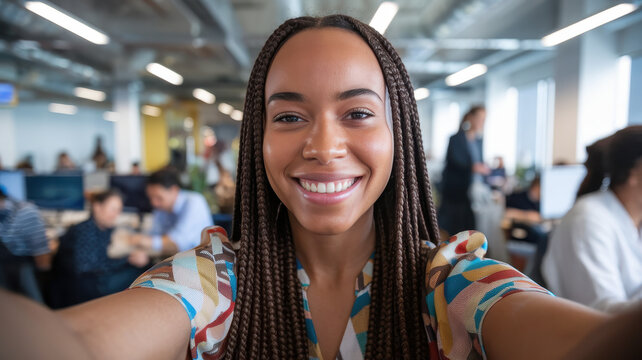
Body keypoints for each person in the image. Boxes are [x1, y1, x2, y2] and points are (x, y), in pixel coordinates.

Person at [1, 14, 641, 360]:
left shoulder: (451, 284)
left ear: (400, 138)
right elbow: (81, 344)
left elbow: (583, 345)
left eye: (358, 113)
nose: (323, 146)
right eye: (288, 116)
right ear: (259, 139)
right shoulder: (215, 282)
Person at [542, 126, 642, 313]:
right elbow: (603, 313)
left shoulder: (634, 221)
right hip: (588, 338)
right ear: (634, 173)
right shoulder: (587, 219)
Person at [49, 189, 148, 308]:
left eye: (119, 210)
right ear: (97, 207)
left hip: (88, 281)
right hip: (84, 289)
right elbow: (92, 266)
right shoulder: (86, 231)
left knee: (139, 266)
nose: (116, 215)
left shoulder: (100, 227)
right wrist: (127, 260)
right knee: (142, 271)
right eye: (113, 209)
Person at [129, 169, 212, 255]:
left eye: (159, 197)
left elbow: (177, 243)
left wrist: (142, 241)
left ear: (174, 190)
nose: (154, 203)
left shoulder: (195, 202)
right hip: (177, 260)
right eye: (151, 198)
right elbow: (155, 234)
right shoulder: (161, 208)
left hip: (202, 261)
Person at [438, 105, 490, 236]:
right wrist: (473, 167)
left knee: (469, 228)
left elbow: (479, 162)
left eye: (484, 119)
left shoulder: (479, 140)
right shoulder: (456, 138)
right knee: (453, 228)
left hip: (472, 190)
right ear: (471, 118)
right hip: (456, 191)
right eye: (479, 118)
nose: (481, 122)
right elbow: (455, 161)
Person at [0, 184, 51, 301]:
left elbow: (43, 261)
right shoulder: (25, 212)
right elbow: (44, 262)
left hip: (14, 290)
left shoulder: (24, 212)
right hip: (16, 291)